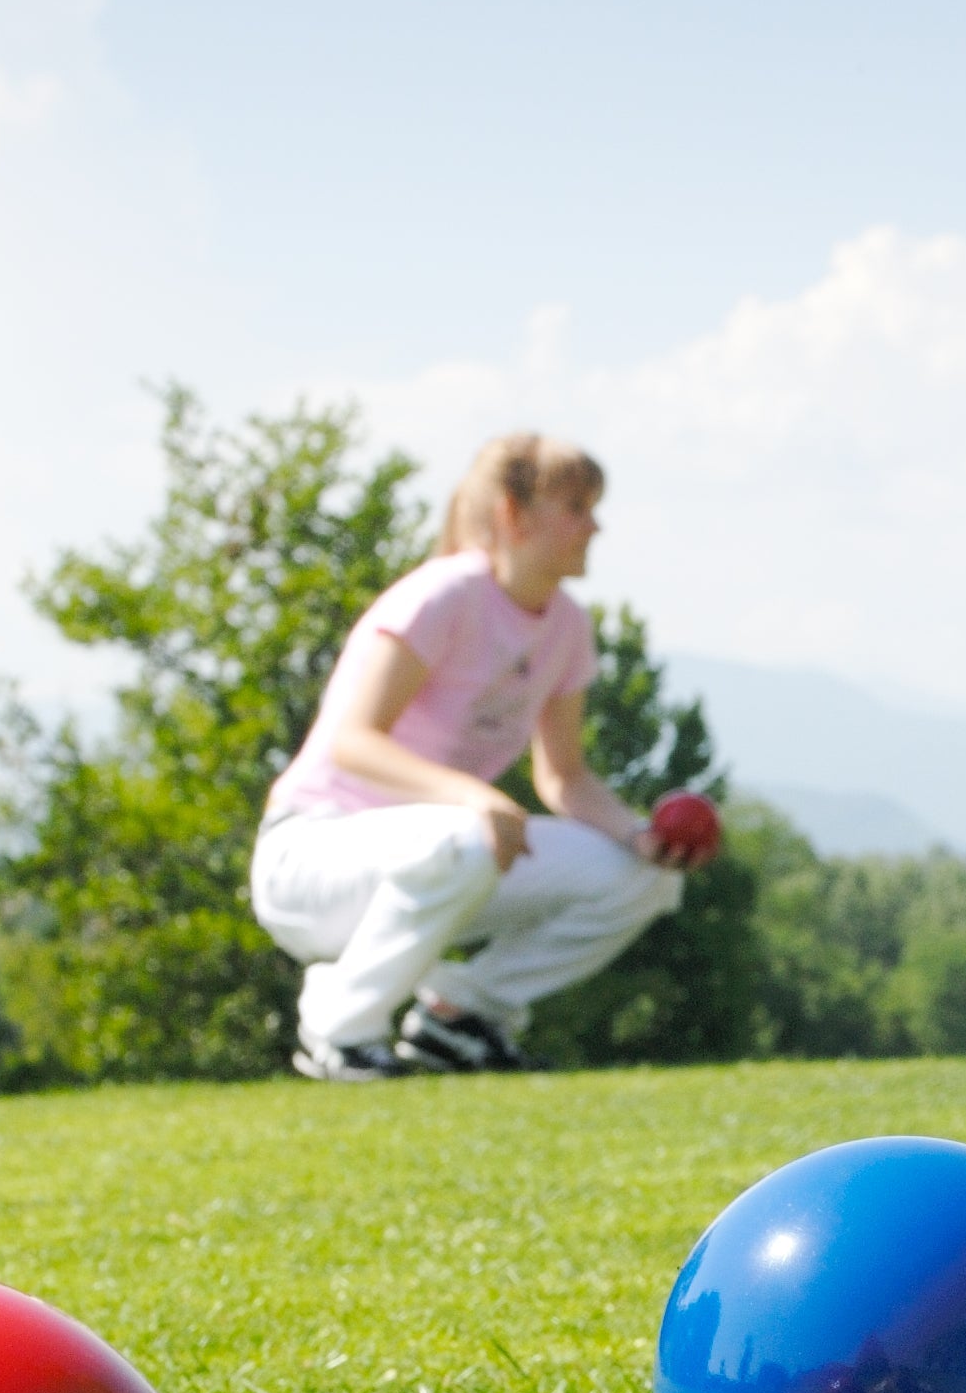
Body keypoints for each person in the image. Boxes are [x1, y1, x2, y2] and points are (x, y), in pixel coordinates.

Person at [251, 431, 711, 1080]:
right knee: (465, 837)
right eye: (576, 507)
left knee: (647, 882)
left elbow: (565, 776)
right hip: (308, 861)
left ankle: (460, 1017)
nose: (594, 525)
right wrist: (474, 796)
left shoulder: (568, 626)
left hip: (448, 853)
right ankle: (338, 1031)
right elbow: (350, 741)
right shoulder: (443, 596)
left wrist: (639, 837)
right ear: (513, 516)